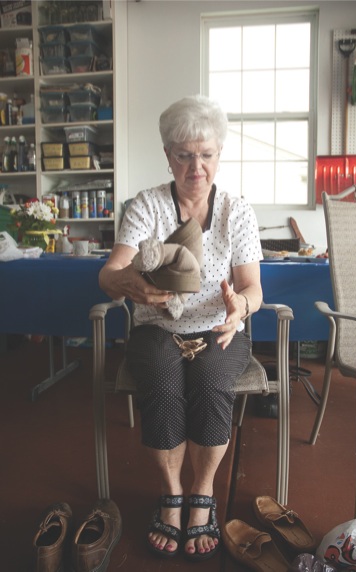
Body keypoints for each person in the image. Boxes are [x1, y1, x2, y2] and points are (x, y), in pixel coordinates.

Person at [99, 94, 263, 561]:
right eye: (185, 155)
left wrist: (240, 309)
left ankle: (203, 492)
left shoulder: (237, 211)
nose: (196, 167)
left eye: (206, 155)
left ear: (219, 155)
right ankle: (172, 492)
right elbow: (108, 276)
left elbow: (253, 288)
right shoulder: (147, 207)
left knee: (212, 383)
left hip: (219, 327)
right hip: (157, 327)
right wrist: (128, 283)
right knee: (164, 383)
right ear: (168, 155)